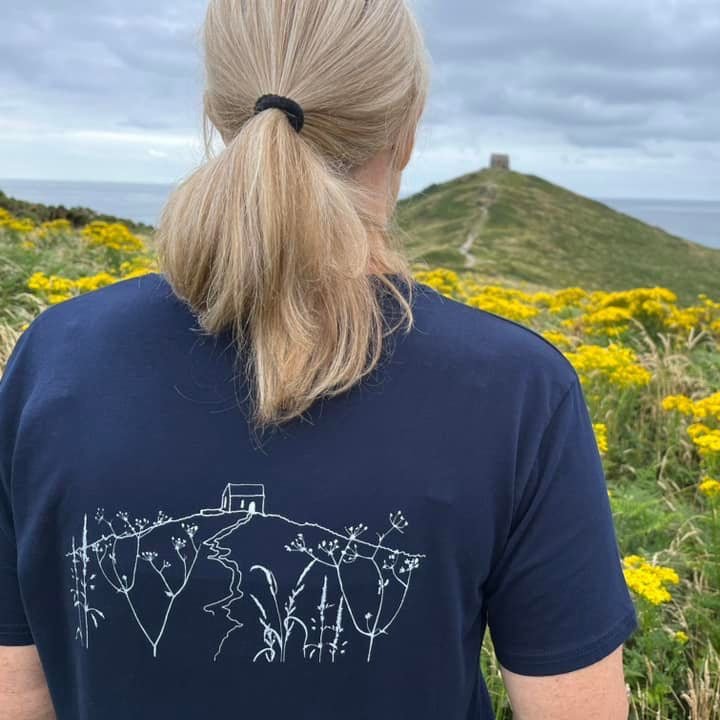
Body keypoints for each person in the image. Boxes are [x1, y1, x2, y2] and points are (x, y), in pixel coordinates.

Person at [0, 1, 638, 718]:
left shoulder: (55, 359)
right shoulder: (517, 389)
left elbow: (17, 695)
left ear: (215, 112)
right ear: (407, 128)